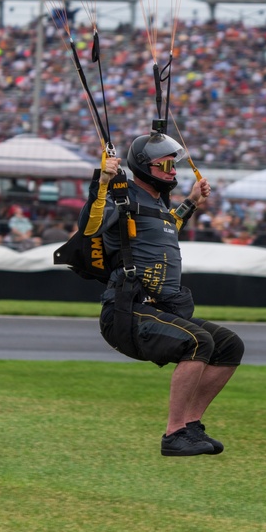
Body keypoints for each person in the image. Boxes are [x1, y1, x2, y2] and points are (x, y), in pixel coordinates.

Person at [79, 132, 244, 457]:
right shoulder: (121, 199)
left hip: (161, 309)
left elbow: (165, 227)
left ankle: (190, 425)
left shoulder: (155, 204)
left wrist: (193, 201)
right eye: (166, 164)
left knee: (228, 345)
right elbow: (90, 226)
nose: (173, 170)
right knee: (198, 342)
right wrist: (101, 182)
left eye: (174, 164)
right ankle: (174, 433)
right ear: (144, 166)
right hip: (128, 310)